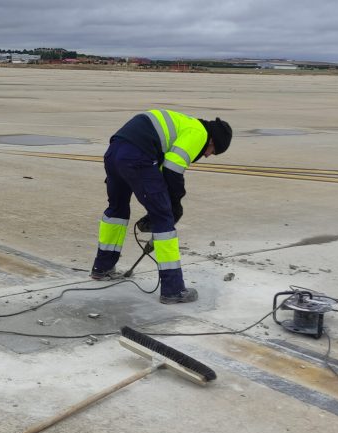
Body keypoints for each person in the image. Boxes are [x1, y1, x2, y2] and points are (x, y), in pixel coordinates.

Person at [90, 109, 232, 304]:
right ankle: (173, 290)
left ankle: (102, 267)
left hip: (115, 152)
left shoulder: (184, 124)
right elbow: (173, 169)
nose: (208, 156)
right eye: (213, 152)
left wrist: (160, 201)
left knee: (117, 210)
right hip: (136, 155)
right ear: (212, 142)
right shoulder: (199, 133)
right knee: (164, 219)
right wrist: (173, 205)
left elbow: (158, 172)